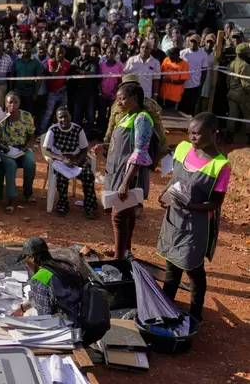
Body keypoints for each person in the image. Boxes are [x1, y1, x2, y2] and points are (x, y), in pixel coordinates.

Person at [157, 113, 230, 323]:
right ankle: (166, 305)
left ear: (213, 133)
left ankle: (196, 312)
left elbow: (216, 202)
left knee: (192, 267)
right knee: (172, 263)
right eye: (190, 132)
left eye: (197, 133)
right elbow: (176, 178)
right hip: (175, 218)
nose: (192, 137)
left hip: (195, 224)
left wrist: (193, 206)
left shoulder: (220, 166)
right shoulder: (182, 149)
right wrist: (165, 193)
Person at [104, 83, 153, 259]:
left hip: (130, 175)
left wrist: (125, 182)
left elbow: (140, 151)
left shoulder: (142, 119)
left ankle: (119, 259)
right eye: (117, 99)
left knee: (118, 216)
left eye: (122, 98)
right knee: (127, 214)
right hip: (118, 172)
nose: (119, 103)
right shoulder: (126, 117)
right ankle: (125, 250)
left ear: (134, 99)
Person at [43, 106, 98, 218]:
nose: (63, 119)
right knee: (62, 177)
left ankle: (90, 206)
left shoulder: (78, 129)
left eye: (66, 116)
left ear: (70, 116)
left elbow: (84, 150)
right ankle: (63, 204)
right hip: (60, 160)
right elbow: (45, 150)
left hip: (76, 159)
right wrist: (61, 159)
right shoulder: (53, 130)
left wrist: (77, 161)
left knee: (88, 175)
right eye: (60, 117)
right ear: (57, 119)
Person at [0, 93, 37, 214]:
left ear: (19, 103)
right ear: (5, 103)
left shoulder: (27, 116)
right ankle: (11, 199)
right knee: (10, 165)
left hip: (22, 148)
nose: (13, 105)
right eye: (10, 102)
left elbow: (32, 136)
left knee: (30, 163)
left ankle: (28, 192)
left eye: (15, 102)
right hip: (5, 150)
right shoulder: (1, 117)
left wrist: (26, 148)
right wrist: (4, 147)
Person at [70, 43, 99, 136]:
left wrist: (80, 71)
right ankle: (76, 134)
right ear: (80, 51)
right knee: (77, 115)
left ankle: (87, 134)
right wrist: (85, 73)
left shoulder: (93, 61)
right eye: (83, 51)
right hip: (77, 92)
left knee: (90, 116)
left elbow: (93, 73)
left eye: (87, 51)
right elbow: (72, 69)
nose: (85, 53)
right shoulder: (76, 60)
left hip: (89, 93)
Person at [41, 44, 70, 134]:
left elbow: (66, 77)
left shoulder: (68, 63)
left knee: (63, 113)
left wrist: (65, 85)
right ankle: (42, 131)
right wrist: (59, 67)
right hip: (52, 92)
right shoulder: (51, 62)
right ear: (55, 53)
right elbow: (52, 75)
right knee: (48, 113)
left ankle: (61, 130)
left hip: (62, 92)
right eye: (58, 53)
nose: (60, 55)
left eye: (62, 53)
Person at [226, 42, 250, 144]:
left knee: (232, 116)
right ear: (244, 53)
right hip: (243, 95)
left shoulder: (231, 63)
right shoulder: (245, 65)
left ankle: (229, 137)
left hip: (232, 93)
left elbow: (227, 80)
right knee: (248, 117)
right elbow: (246, 84)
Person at [11, 40, 43, 116]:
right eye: (24, 49)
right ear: (20, 49)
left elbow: (39, 79)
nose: (26, 50)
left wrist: (35, 93)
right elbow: (12, 76)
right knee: (17, 112)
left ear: (31, 49)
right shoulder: (16, 61)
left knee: (28, 114)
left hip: (30, 93)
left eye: (28, 49)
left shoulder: (36, 62)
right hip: (17, 92)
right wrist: (11, 90)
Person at [179, 35, 208, 116]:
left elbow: (204, 72)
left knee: (191, 110)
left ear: (198, 43)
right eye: (191, 41)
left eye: (195, 42)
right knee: (181, 109)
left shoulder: (203, 54)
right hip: (183, 85)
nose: (192, 43)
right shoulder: (182, 53)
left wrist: (201, 86)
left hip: (195, 86)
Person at [97, 46, 123, 137]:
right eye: (108, 52)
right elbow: (98, 80)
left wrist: (112, 92)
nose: (110, 54)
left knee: (112, 115)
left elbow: (119, 81)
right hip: (102, 95)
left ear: (115, 54)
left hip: (113, 95)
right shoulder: (101, 65)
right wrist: (101, 93)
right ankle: (101, 133)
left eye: (112, 52)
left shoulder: (119, 66)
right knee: (102, 114)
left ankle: (111, 133)